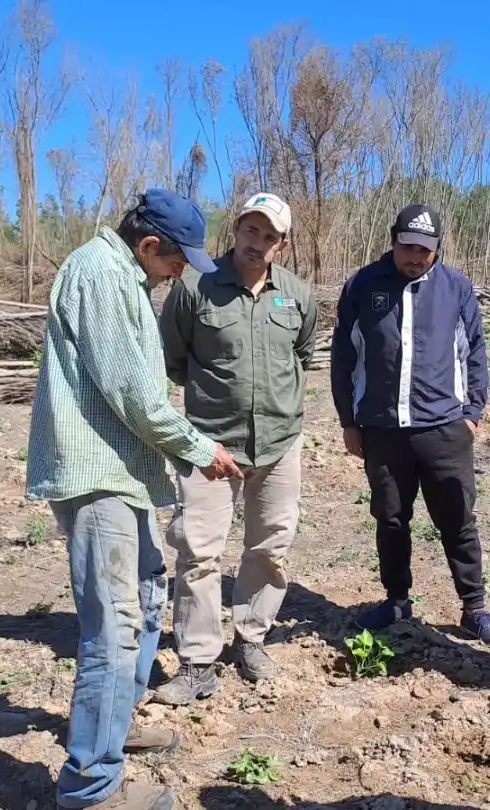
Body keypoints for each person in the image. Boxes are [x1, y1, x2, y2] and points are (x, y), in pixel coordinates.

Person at [26, 189, 243, 810]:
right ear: (150, 247)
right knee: (114, 632)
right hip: (99, 480)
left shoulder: (125, 277)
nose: (182, 274)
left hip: (124, 474)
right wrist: (200, 450)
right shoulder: (103, 275)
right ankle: (92, 787)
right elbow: (137, 397)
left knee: (147, 604)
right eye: (178, 261)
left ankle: (112, 732)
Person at [153, 193, 318, 704]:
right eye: (251, 231)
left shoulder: (297, 296)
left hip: (279, 442)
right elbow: (173, 358)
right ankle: (199, 661)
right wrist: (205, 423)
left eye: (270, 237)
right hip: (209, 445)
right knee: (199, 553)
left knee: (269, 547)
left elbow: (304, 355)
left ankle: (252, 639)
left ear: (282, 246)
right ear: (236, 231)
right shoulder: (194, 288)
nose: (258, 243)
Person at [329, 203, 490, 647]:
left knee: (458, 518)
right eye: (407, 247)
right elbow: (344, 357)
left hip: (444, 427)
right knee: (391, 518)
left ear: (437, 250)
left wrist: (472, 414)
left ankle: (474, 608)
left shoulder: (457, 288)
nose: (415, 257)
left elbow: (475, 353)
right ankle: (396, 600)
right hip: (383, 429)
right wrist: (349, 421)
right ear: (393, 241)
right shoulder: (363, 285)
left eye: (424, 250)